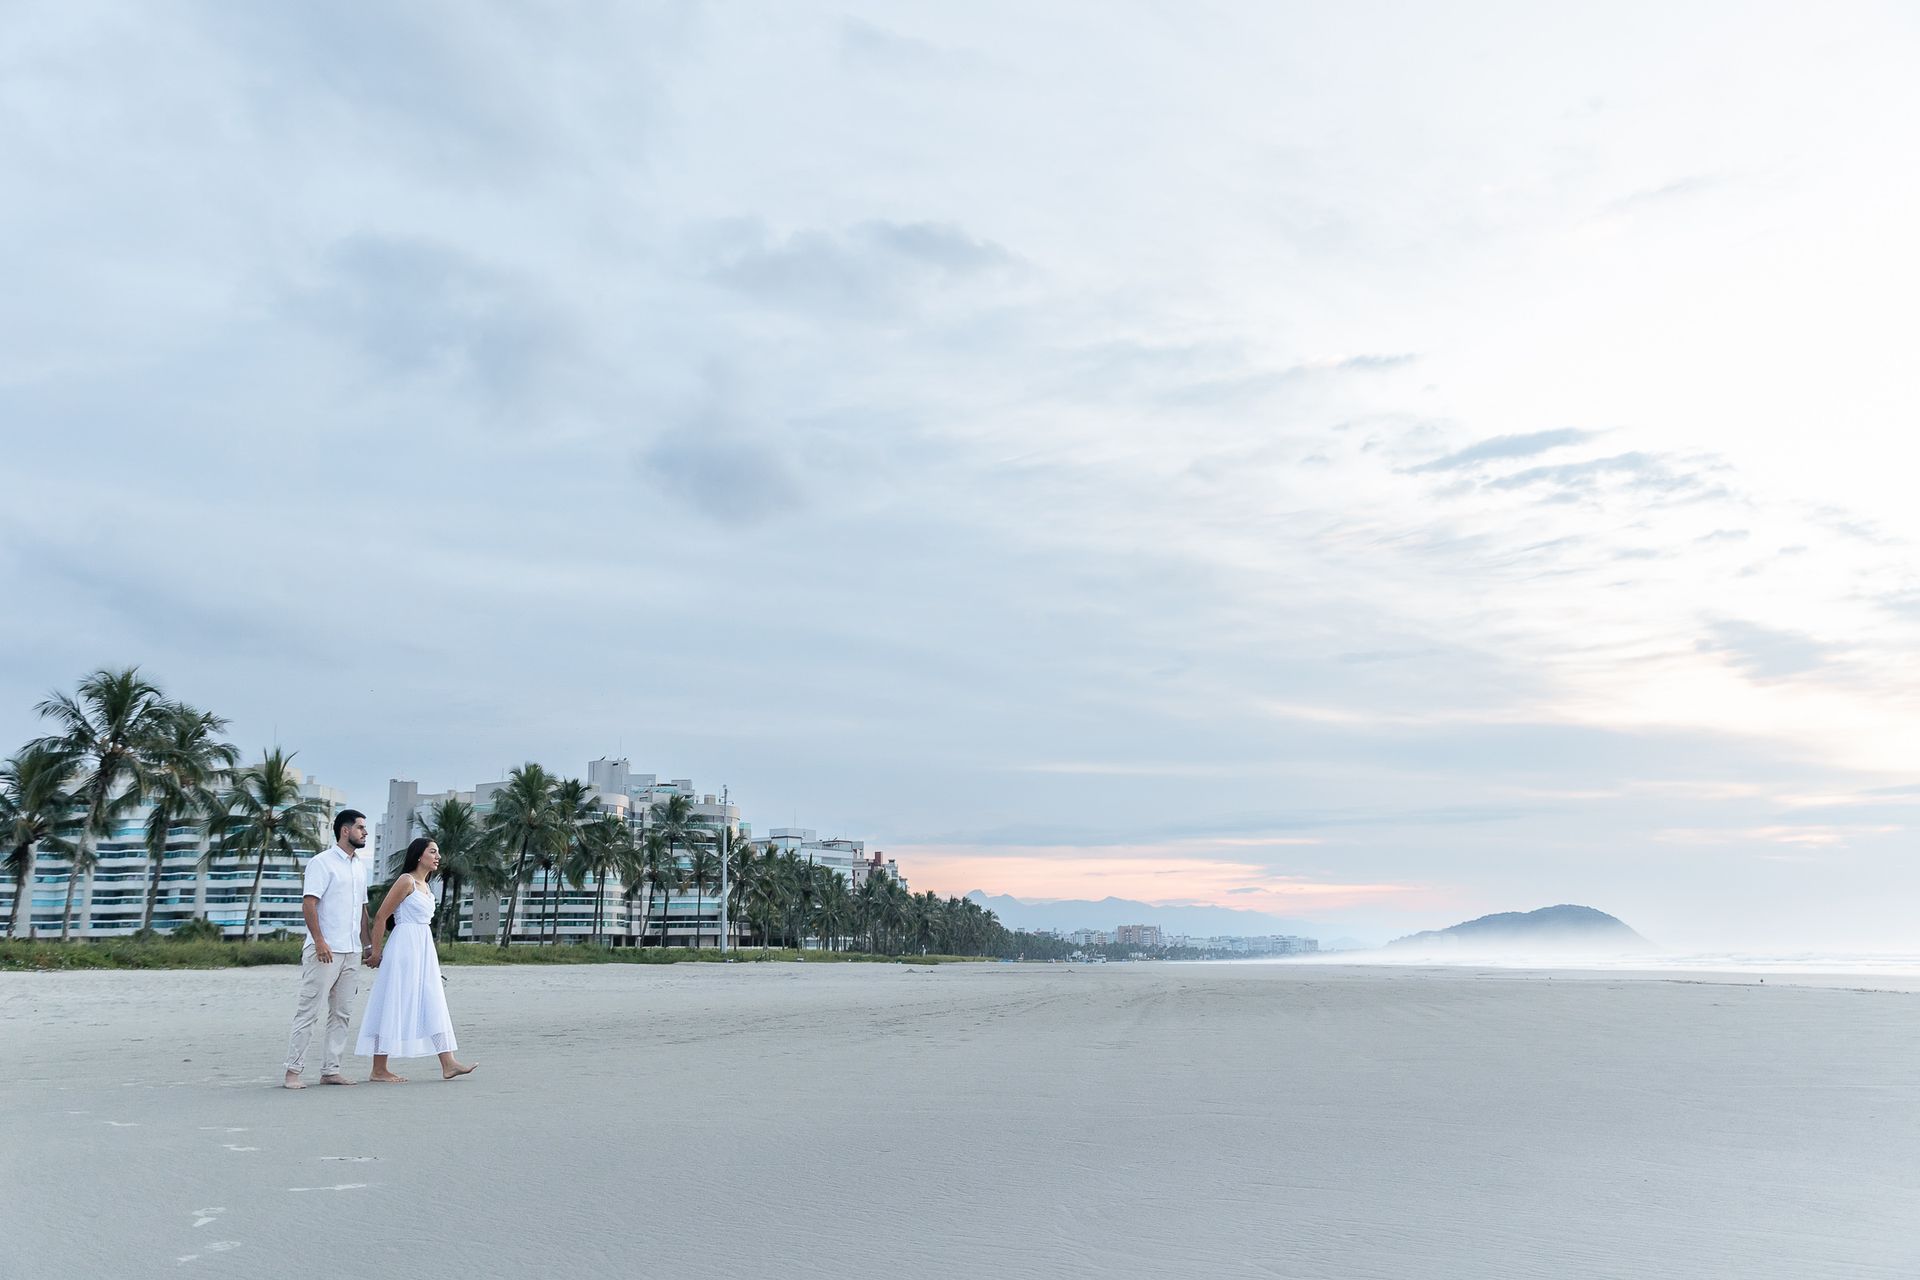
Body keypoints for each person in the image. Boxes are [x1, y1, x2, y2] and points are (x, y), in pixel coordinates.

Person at [357, 836, 476, 1083]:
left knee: (432, 999)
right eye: (433, 852)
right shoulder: (406, 881)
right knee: (392, 1000)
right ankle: (379, 1069)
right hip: (403, 948)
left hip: (423, 948)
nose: (437, 857)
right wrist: (376, 952)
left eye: (438, 852)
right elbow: (381, 916)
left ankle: (448, 1062)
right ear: (419, 855)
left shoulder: (427, 886)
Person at [283, 808, 372, 1089]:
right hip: (324, 949)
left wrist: (368, 944)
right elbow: (309, 903)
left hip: (351, 951)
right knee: (309, 1010)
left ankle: (330, 1070)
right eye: (360, 827)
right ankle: (293, 1071)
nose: (365, 832)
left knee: (342, 1013)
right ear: (345, 831)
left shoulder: (360, 866)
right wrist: (319, 940)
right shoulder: (322, 863)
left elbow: (362, 909)